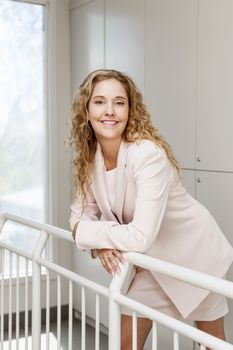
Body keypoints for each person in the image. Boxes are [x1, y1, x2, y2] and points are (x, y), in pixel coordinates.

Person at [69, 69, 233, 350]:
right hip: (152, 264)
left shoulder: (147, 154)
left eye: (119, 102)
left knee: (212, 341)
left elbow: (140, 236)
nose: (109, 111)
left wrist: (95, 235)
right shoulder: (91, 157)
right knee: (126, 342)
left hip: (195, 255)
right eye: (99, 101)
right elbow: (77, 218)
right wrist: (101, 243)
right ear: (86, 110)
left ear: (130, 110)